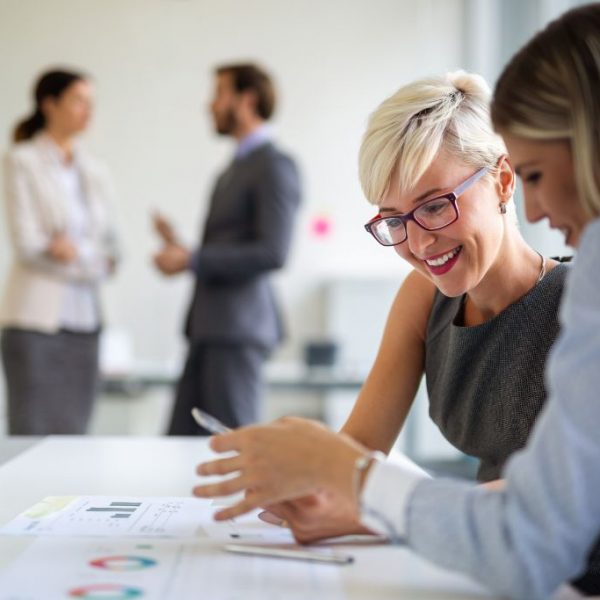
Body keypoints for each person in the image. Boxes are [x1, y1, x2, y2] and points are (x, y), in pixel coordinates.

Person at [193, 4, 600, 598]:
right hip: (483, 566)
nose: (416, 242)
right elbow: (355, 453)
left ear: (505, 181)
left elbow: (556, 505)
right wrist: (302, 472)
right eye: (392, 220)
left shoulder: (579, 302)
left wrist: (358, 498)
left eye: (435, 205)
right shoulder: (424, 297)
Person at [153, 63, 301, 435]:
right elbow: (231, 245)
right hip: (209, 327)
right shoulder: (234, 168)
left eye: (219, 94)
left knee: (234, 448)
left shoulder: (273, 166)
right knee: (180, 446)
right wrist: (185, 253)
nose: (210, 105)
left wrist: (192, 258)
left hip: (237, 330)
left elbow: (273, 252)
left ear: (246, 99)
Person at [0, 68, 120, 435]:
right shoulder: (21, 161)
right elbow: (29, 245)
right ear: (49, 104)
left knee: (76, 433)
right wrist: (90, 259)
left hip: (86, 323)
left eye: (91, 103)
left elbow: (114, 252)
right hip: (35, 323)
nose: (88, 111)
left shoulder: (95, 172)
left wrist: (72, 252)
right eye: (79, 101)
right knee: (32, 430)